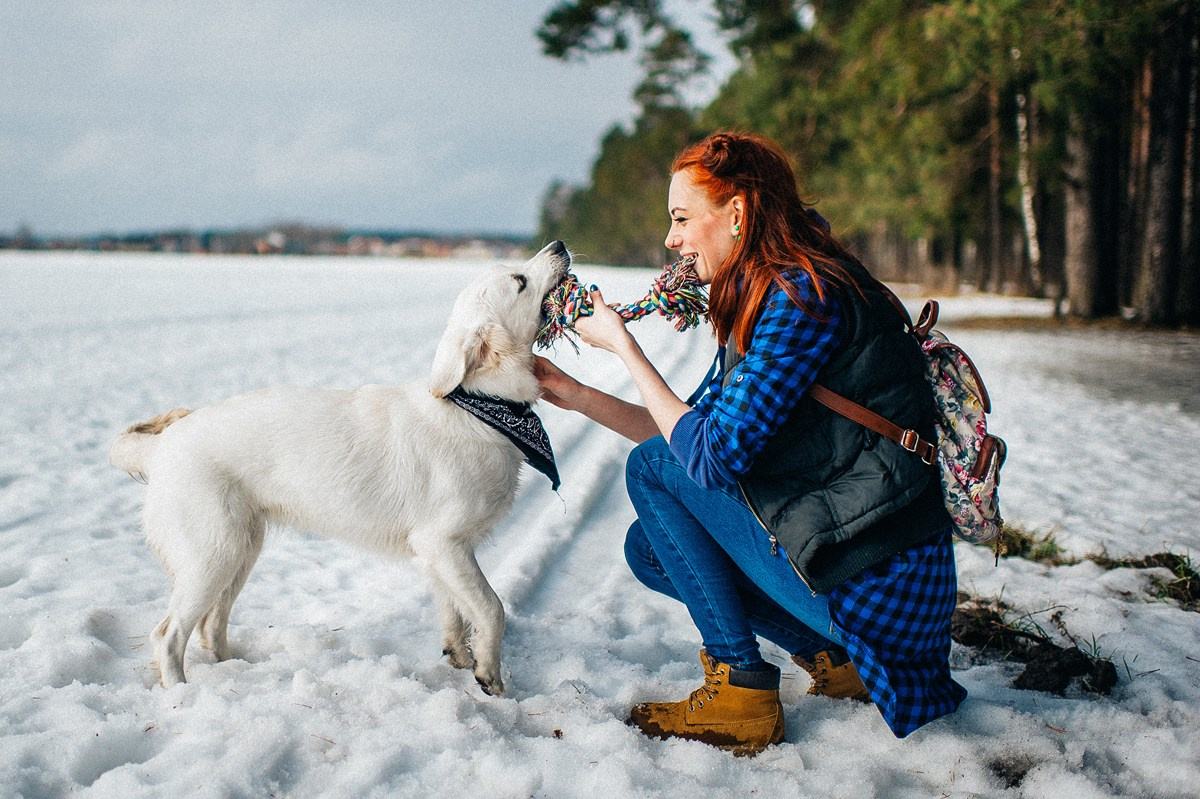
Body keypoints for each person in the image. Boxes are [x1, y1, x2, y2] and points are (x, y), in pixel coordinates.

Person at [535, 131, 965, 755]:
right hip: (864, 558)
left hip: (886, 587)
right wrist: (577, 394)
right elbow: (689, 434)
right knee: (651, 548)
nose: (671, 239)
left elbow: (705, 458)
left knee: (649, 470)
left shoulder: (801, 297)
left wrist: (625, 348)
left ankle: (741, 692)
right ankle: (834, 659)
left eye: (682, 218)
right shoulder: (773, 289)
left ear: (736, 212)